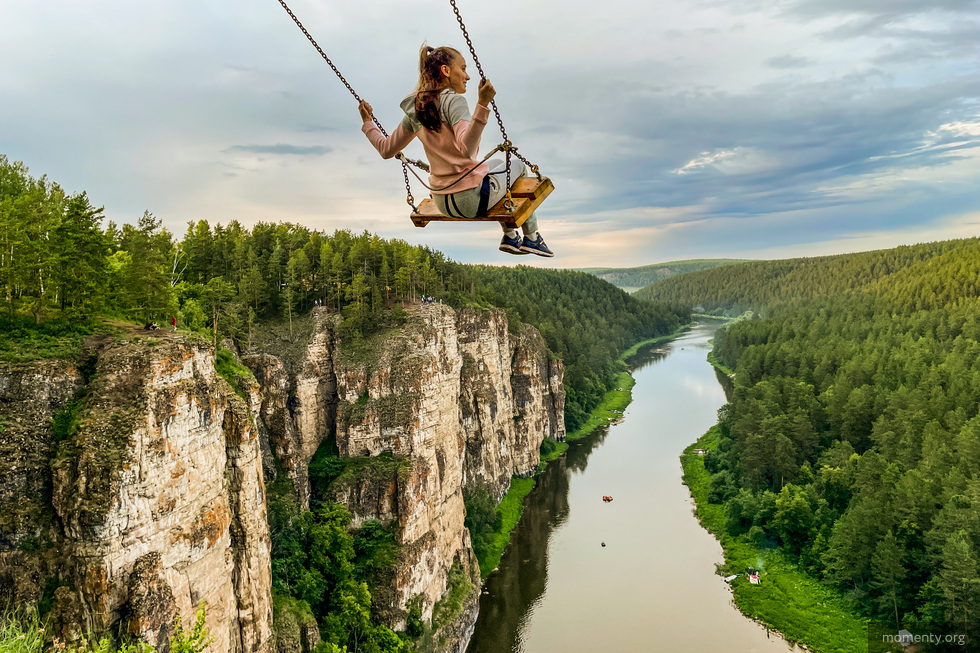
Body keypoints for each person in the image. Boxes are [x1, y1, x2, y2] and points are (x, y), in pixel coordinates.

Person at [358, 45, 553, 257]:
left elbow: (386, 149)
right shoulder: (454, 101)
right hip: (470, 201)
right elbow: (467, 150)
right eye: (463, 68)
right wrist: (483, 104)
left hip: (442, 202)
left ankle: (511, 236)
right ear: (446, 71)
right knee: (518, 167)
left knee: (494, 165)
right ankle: (531, 237)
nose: (467, 76)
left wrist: (368, 122)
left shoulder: (417, 109)